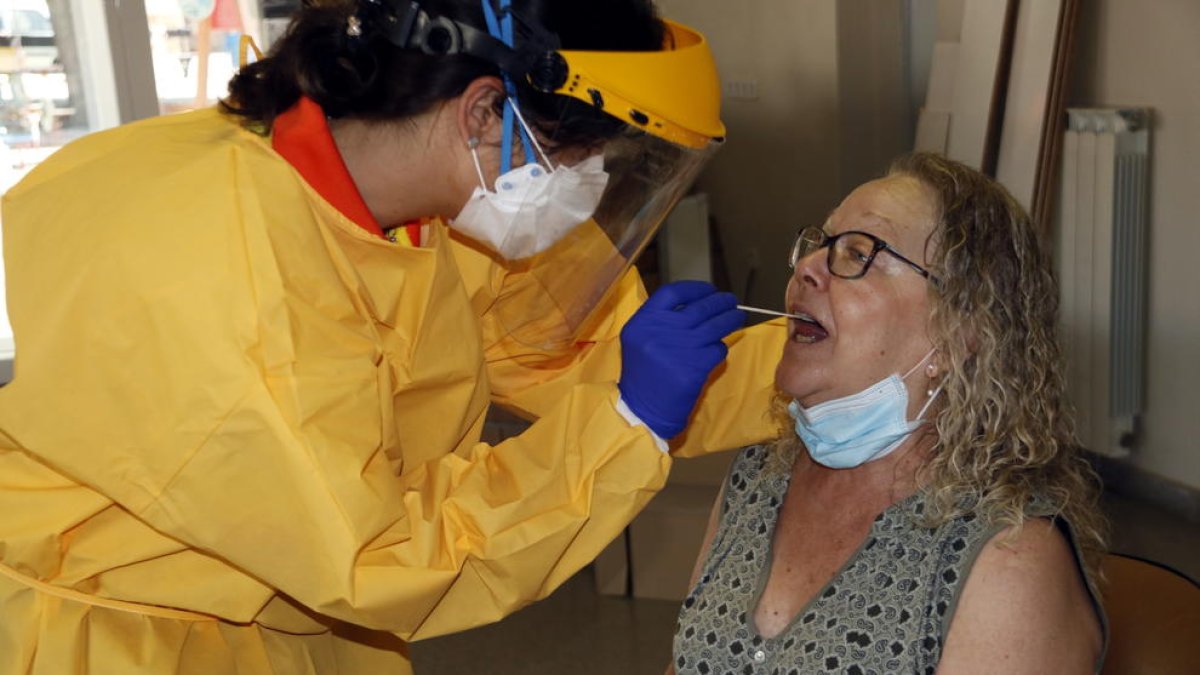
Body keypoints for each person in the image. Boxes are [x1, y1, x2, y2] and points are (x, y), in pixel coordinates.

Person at [0, 1, 772, 672]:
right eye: (581, 154)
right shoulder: (226, 265)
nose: (593, 179)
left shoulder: (429, 208)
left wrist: (822, 374)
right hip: (117, 640)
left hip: (290, 622)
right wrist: (627, 424)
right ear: (480, 113)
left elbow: (562, 343)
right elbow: (383, 555)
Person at [671, 153, 1108, 675]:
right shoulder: (755, 478)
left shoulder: (1009, 561)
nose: (807, 267)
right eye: (820, 243)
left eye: (859, 253)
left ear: (958, 334)